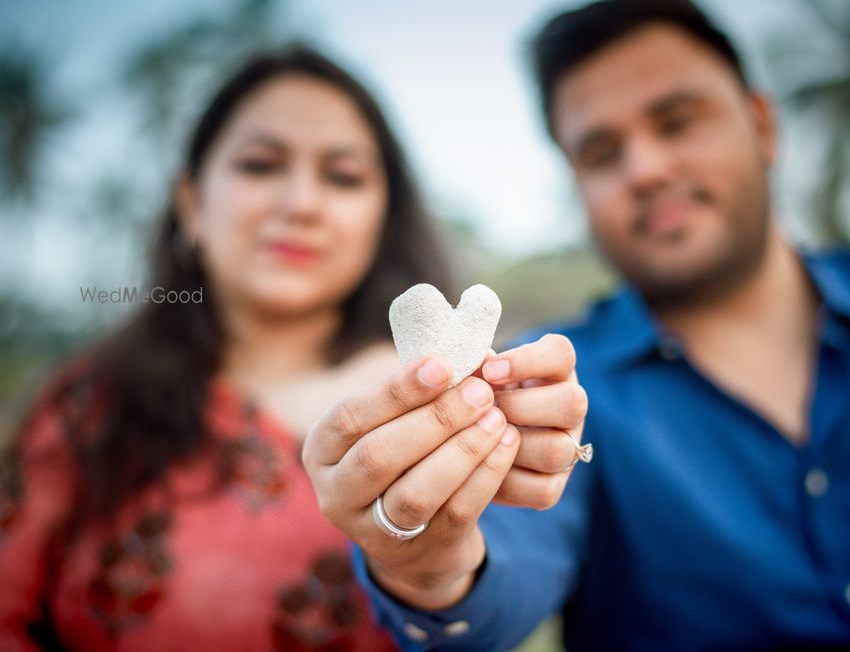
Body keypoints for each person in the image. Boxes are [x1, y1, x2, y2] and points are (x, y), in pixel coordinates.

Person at [303, 0, 850, 650]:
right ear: (577, 184)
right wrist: (425, 559)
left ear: (761, 124)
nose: (645, 168)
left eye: (677, 121)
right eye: (602, 152)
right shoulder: (549, 388)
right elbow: (502, 572)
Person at [0, 45, 583, 652]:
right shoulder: (88, 406)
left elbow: (507, 602)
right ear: (191, 204)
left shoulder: (462, 401)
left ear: (381, 218)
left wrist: (434, 569)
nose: (300, 204)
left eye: (343, 176)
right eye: (259, 165)